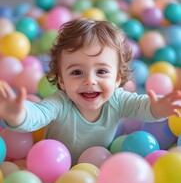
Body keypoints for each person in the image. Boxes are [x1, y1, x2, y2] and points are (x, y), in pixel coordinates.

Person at [0, 19, 181, 165]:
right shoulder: (60, 103)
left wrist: (159, 107)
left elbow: (143, 106)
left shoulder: (117, 100)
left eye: (101, 71)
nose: (90, 81)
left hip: (102, 169)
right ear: (62, 80)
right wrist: (18, 114)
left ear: (117, 78)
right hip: (59, 171)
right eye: (77, 72)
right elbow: (38, 114)